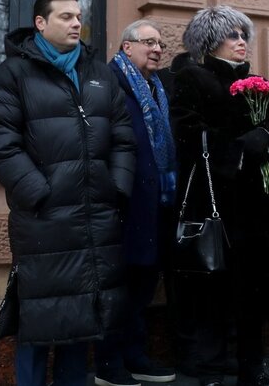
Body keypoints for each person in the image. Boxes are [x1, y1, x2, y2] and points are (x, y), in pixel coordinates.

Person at [0, 0, 136, 386]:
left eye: (79, 16)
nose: (76, 23)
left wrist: (115, 187)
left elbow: (122, 136)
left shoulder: (99, 73)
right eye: (66, 16)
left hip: (97, 216)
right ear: (40, 22)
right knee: (39, 316)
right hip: (44, 220)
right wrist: (39, 192)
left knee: (82, 319)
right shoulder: (10, 76)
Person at [171, 6, 269, 386]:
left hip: (258, 204)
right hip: (218, 201)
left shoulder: (256, 81)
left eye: (244, 35)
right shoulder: (192, 77)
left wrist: (268, 138)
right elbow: (188, 131)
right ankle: (210, 368)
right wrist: (240, 149)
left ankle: (251, 367)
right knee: (214, 288)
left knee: (253, 289)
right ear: (210, 42)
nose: (241, 42)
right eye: (232, 35)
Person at [94, 20, 178, 386]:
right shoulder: (109, 82)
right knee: (118, 284)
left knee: (144, 282)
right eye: (149, 42)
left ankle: (135, 355)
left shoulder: (157, 87)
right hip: (123, 203)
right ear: (127, 47)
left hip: (155, 200)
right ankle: (108, 363)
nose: (157, 49)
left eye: (160, 43)